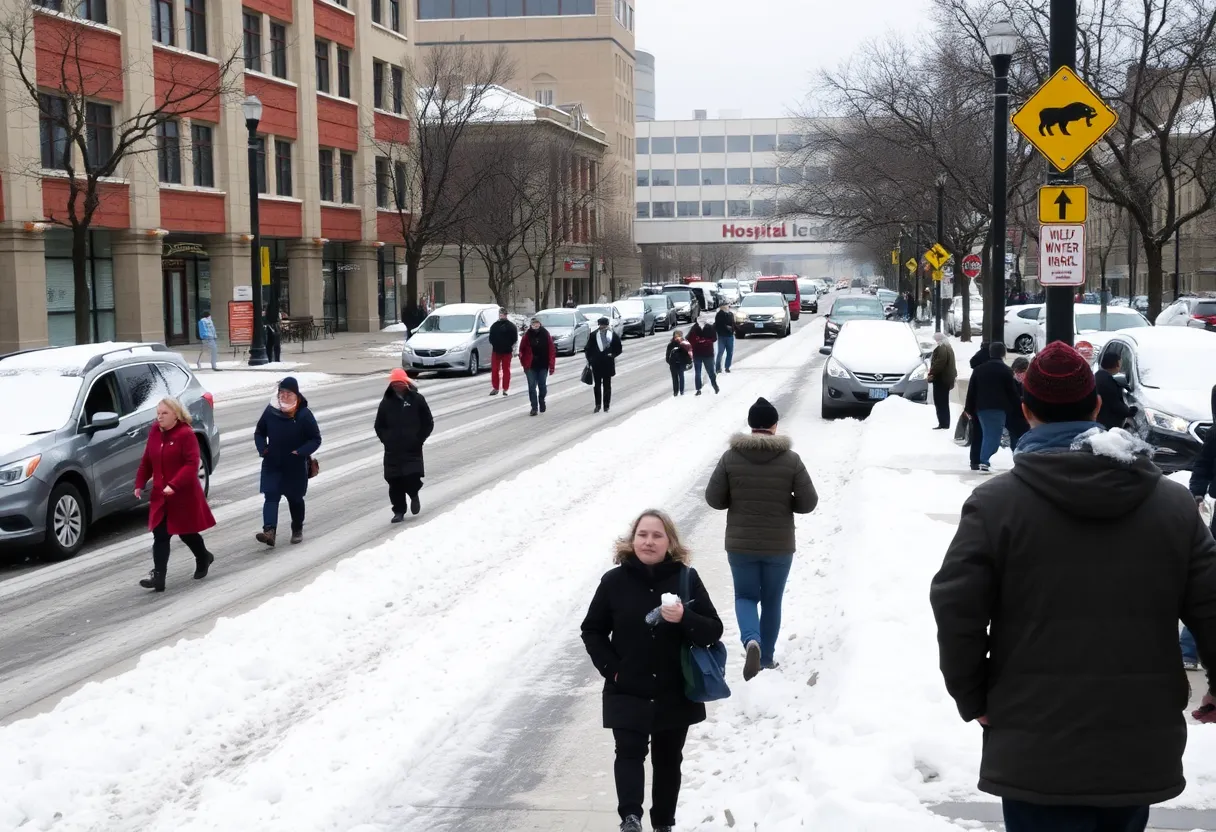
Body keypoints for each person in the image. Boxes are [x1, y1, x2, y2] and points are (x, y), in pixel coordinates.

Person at [930, 342, 1216, 832]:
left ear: (1025, 411)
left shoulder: (996, 506)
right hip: (1137, 739)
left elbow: (957, 608)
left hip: (1031, 740)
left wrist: (973, 696)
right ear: (1098, 405)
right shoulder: (1171, 507)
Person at [580, 510, 724, 832]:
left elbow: (713, 631)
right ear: (632, 540)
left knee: (668, 759)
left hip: (674, 688)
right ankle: (630, 819)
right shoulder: (613, 582)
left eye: (657, 535)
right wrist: (613, 671)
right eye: (643, 534)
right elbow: (592, 630)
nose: (649, 541)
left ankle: (663, 824)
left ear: (670, 541)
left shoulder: (687, 578)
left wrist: (684, 617)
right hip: (627, 686)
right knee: (628, 753)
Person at [705, 397, 818, 680]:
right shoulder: (791, 460)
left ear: (751, 425)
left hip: (740, 545)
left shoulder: (731, 457)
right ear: (774, 425)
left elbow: (713, 499)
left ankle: (750, 640)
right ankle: (765, 659)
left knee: (745, 596)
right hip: (779, 546)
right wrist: (784, 502)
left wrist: (737, 498)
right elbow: (808, 503)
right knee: (771, 600)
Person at [133, 398, 216, 592]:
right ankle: (158, 577)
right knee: (160, 534)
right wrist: (139, 483)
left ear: (176, 415)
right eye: (158, 413)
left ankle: (203, 556)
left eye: (164, 413)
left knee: (186, 532)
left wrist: (174, 485)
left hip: (182, 494)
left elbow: (191, 464)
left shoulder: (186, 434)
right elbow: (147, 460)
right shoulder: (155, 431)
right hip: (161, 495)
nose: (159, 417)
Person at [254, 377, 322, 546]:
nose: (284, 396)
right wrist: (263, 448)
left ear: (296, 394)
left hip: (295, 464)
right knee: (271, 495)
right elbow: (259, 432)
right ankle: (269, 531)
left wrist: (300, 452)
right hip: (272, 462)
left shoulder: (303, 415)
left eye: (288, 393)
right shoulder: (271, 411)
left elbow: (315, 439)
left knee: (295, 499)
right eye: (281, 392)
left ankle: (297, 528)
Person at [375, 368, 434, 523]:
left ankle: (414, 494)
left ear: (406, 383)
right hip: (392, 450)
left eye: (399, 383)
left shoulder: (417, 399)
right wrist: (386, 440)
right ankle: (399, 510)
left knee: (411, 477)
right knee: (394, 481)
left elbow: (428, 422)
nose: (397, 387)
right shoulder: (386, 402)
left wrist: (419, 439)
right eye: (394, 384)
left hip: (412, 448)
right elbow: (378, 425)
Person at [964, 343, 1021, 473]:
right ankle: (984, 462)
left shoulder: (979, 370)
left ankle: (979, 461)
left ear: (990, 353)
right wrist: (1018, 407)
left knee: (986, 434)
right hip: (998, 409)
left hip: (981, 408)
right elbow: (1012, 392)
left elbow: (972, 390)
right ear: (1003, 354)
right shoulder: (1006, 371)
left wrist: (969, 408)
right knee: (993, 436)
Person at [584, 316, 623, 414]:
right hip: (597, 364)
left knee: (607, 385)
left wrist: (613, 354)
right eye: (601, 325)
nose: (603, 327)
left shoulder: (612, 335)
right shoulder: (593, 335)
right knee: (597, 385)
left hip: (608, 363)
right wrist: (590, 360)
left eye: (604, 325)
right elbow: (588, 349)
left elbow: (619, 348)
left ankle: (606, 405)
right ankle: (597, 405)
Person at [519, 316, 556, 417]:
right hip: (530, 365)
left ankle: (541, 399)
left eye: (537, 324)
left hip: (543, 364)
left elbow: (551, 349)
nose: (535, 325)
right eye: (533, 324)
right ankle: (534, 407)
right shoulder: (527, 336)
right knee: (531, 386)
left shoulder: (545, 334)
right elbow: (521, 350)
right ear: (531, 325)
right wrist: (524, 362)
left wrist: (551, 365)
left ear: (540, 324)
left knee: (542, 385)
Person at [1096, 351, 1136, 430]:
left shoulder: (1098, 376)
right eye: (1120, 362)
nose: (1121, 366)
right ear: (1117, 364)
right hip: (1106, 425)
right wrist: (1131, 411)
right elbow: (1115, 404)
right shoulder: (1107, 381)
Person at [927, 332, 957, 430]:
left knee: (940, 402)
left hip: (941, 379)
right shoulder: (948, 347)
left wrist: (931, 372)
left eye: (936, 339)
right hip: (946, 379)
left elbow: (939, 363)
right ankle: (944, 423)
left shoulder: (942, 348)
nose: (935, 341)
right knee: (943, 402)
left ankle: (943, 423)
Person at [488, 307, 518, 397]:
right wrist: (495, 344)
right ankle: (495, 387)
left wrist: (510, 347)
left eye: (503, 314)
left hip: (507, 351)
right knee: (494, 369)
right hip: (496, 350)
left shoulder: (511, 326)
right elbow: (491, 338)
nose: (502, 316)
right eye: (500, 314)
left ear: (506, 315)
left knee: (506, 370)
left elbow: (515, 339)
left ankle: (505, 388)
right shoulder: (494, 326)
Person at [686, 320, 719, 396]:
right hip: (697, 353)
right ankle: (698, 389)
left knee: (710, 371)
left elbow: (714, 338)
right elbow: (688, 338)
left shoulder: (710, 327)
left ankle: (714, 385)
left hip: (708, 353)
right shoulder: (694, 328)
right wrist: (696, 341)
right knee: (698, 372)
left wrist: (706, 341)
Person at [1007, 356, 1031, 451]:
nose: (1020, 374)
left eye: (1023, 371)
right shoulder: (1010, 382)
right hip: (1014, 417)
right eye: (1018, 372)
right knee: (1015, 441)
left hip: (1025, 417)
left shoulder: (1029, 383)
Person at [665, 329, 691, 397]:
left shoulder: (670, 344)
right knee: (681, 377)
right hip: (681, 363)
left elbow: (667, 356)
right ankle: (681, 391)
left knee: (675, 378)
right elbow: (687, 354)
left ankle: (675, 392)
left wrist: (670, 362)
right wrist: (688, 362)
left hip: (673, 364)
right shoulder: (683, 344)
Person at [713, 303, 736, 374]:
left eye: (727, 306)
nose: (727, 307)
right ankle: (718, 368)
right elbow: (718, 325)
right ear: (722, 307)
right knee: (720, 352)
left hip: (729, 336)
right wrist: (726, 328)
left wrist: (733, 329)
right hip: (722, 336)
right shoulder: (719, 315)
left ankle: (727, 367)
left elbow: (733, 324)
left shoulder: (730, 314)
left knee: (729, 352)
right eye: (725, 306)